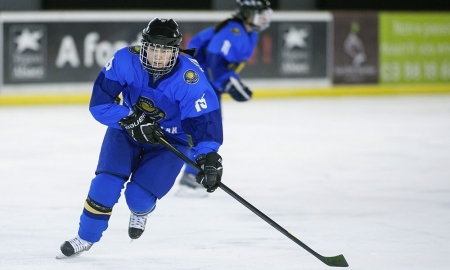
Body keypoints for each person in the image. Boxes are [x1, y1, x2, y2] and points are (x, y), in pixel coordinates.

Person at [57, 18, 224, 258]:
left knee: (138, 198)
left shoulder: (191, 79)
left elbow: (204, 123)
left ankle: (141, 211)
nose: (157, 56)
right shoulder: (125, 60)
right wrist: (130, 119)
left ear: (176, 51)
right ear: (144, 46)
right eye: (153, 49)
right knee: (105, 185)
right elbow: (100, 104)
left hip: (169, 142)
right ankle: (85, 237)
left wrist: (208, 157)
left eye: (164, 51)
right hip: (126, 131)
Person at [175, 0, 272, 197]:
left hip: (206, 84)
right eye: (261, 13)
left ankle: (192, 173)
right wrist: (228, 82)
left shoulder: (248, 32)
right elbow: (213, 62)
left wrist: (230, 81)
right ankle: (191, 176)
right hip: (198, 84)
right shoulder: (233, 31)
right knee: (203, 128)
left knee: (206, 128)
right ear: (249, 13)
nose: (264, 18)